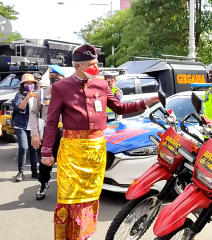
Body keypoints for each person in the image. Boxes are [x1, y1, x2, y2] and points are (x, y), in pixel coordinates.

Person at [40, 44, 158, 240]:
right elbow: (51, 122)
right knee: (70, 198)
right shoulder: (61, 87)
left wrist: (145, 103)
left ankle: (84, 235)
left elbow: (119, 108)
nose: (96, 68)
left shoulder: (102, 85)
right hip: (72, 151)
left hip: (96, 149)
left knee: (89, 198)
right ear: (79, 66)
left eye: (97, 63)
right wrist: (46, 152)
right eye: (91, 64)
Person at [30, 65, 65, 200]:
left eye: (56, 77)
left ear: (63, 78)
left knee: (66, 163)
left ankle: (65, 189)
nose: (53, 79)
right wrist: (35, 133)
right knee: (45, 163)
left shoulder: (72, 93)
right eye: (51, 77)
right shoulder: (43, 93)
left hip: (67, 133)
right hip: (49, 133)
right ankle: (43, 184)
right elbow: (33, 112)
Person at [12, 74, 39, 182]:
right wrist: (27, 97)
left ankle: (34, 171)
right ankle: (21, 172)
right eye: (27, 83)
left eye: (31, 83)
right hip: (21, 125)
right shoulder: (19, 95)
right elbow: (19, 108)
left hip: (33, 126)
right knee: (24, 147)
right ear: (23, 85)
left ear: (35, 84)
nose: (29, 85)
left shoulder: (37, 95)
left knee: (34, 149)